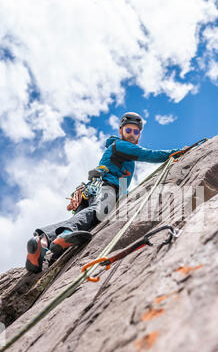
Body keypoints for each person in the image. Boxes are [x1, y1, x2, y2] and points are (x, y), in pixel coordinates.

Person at [26, 112, 181, 273]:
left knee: (87, 218)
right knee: (100, 211)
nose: (132, 135)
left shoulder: (124, 159)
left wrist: (127, 197)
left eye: (136, 132)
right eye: (129, 130)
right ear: (121, 131)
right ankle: (64, 234)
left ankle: (42, 245)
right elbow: (148, 155)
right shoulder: (120, 146)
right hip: (104, 187)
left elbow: (122, 183)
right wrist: (177, 152)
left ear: (139, 134)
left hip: (92, 190)